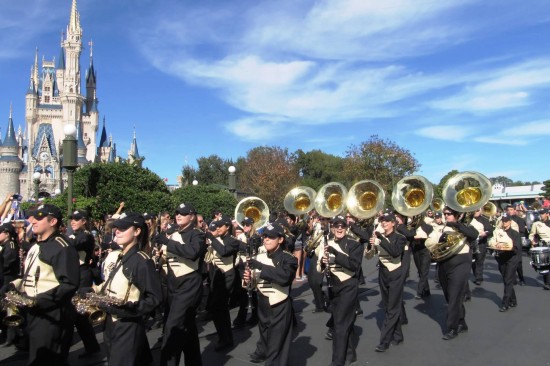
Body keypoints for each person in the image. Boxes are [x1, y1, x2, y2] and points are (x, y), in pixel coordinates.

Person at [1, 204, 80, 365]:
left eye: (39, 218)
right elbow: (29, 275)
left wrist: (39, 300)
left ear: (53, 222)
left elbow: (69, 284)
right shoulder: (37, 245)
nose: (33, 221)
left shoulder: (61, 247)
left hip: (51, 315)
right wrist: (14, 285)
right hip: (34, 312)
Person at [96, 212, 162, 366]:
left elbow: (155, 298)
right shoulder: (119, 256)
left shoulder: (142, 261)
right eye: (116, 228)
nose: (117, 231)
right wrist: (93, 290)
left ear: (137, 231)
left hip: (127, 323)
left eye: (123, 228)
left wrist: (129, 309)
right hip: (111, 321)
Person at [154, 203, 206, 366]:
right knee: (187, 329)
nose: (179, 215)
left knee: (172, 328)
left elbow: (192, 253)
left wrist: (168, 243)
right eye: (177, 213)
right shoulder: (174, 233)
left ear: (192, 216)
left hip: (188, 285)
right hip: (173, 285)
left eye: (183, 213)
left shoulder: (197, 234)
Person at [245, 222, 297, 365]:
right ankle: (263, 353)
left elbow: (285, 278)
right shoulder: (259, 257)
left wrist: (261, 267)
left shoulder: (289, 258)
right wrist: (248, 279)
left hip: (279, 304)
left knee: (276, 345)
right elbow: (253, 283)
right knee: (265, 335)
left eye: (271, 237)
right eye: (265, 236)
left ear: (280, 239)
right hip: (262, 302)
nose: (266, 239)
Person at [425, 206, 478, 340]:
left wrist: (456, 225)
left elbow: (474, 235)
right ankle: (461, 322)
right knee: (449, 296)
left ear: (458, 215)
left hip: (460, 263)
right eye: (445, 214)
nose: (446, 216)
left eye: (449, 214)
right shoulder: (441, 227)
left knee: (454, 296)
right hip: (444, 263)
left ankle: (452, 328)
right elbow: (433, 244)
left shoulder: (465, 226)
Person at [323, 215, 363, 364]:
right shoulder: (327, 243)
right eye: (336, 226)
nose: (339, 228)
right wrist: (322, 262)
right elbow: (319, 267)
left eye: (342, 226)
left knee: (339, 325)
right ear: (332, 228)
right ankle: (350, 355)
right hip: (333, 286)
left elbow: (354, 266)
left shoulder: (354, 244)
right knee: (345, 322)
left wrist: (335, 253)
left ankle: (337, 361)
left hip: (348, 286)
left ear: (346, 228)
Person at [67, 209, 101, 358]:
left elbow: (74, 244)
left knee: (80, 313)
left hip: (82, 274)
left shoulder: (86, 236)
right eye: (71, 219)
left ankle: (91, 346)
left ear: (84, 221)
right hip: (72, 273)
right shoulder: (72, 235)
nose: (73, 221)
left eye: (76, 219)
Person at [372, 212, 407, 352]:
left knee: (392, 308)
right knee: (389, 306)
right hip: (383, 273)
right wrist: (370, 247)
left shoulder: (400, 238)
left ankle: (384, 341)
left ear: (393, 223)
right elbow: (369, 256)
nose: (384, 223)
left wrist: (380, 239)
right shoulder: (380, 237)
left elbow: (395, 252)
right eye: (382, 221)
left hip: (395, 273)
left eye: (387, 221)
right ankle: (398, 336)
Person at [205, 215, 241, 351]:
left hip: (227, 275)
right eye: (217, 226)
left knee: (218, 307)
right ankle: (225, 337)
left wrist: (213, 238)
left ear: (228, 227)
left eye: (221, 226)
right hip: (216, 275)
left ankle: (225, 338)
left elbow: (224, 252)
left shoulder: (233, 241)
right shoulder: (218, 240)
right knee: (219, 309)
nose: (218, 228)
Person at [488, 213, 521, 311]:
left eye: (506, 221)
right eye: (503, 221)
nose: (504, 222)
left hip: (512, 258)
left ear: (510, 222)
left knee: (508, 280)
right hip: (501, 258)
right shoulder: (498, 232)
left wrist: (507, 246)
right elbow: (491, 241)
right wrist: (496, 244)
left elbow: (517, 247)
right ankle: (513, 300)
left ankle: (505, 303)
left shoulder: (515, 233)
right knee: (507, 280)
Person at [0, 222, 20, 346]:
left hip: (9, 279)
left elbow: (7, 263)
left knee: (10, 308)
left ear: (7, 233)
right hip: (3, 278)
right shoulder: (4, 245)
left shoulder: (11, 245)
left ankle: (12, 336)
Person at [469, 209, 493, 286]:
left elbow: (490, 231)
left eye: (477, 210)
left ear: (480, 211)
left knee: (479, 261)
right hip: (471, 243)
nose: (475, 212)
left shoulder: (484, 220)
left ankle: (479, 278)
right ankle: (477, 275)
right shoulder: (469, 219)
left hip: (481, 243)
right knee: (472, 261)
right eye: (474, 210)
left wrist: (485, 234)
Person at [505, 205, 527, 285]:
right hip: (507, 243)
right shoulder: (504, 220)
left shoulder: (519, 220)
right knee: (509, 262)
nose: (510, 211)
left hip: (517, 243)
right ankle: (512, 279)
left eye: (511, 209)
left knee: (518, 262)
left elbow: (521, 232)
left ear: (515, 211)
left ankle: (521, 278)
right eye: (508, 210)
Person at [528, 208, 550, 290]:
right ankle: (547, 283)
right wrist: (532, 241)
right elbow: (531, 235)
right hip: (543, 245)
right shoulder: (536, 224)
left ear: (547, 214)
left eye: (543, 213)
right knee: (546, 264)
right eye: (540, 214)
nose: (541, 215)